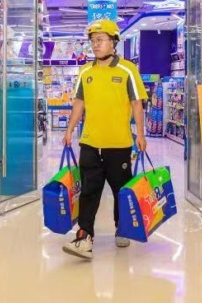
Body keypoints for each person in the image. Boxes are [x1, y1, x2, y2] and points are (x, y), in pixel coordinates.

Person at [62, 19, 148, 260]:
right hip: (90, 142)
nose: (95, 44)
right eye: (93, 41)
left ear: (113, 42)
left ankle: (122, 228)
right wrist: (69, 129)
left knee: (121, 190)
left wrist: (141, 134)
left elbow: (137, 104)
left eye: (100, 40)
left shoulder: (128, 70)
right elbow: (79, 103)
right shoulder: (85, 72)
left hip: (119, 144)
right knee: (89, 191)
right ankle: (84, 237)